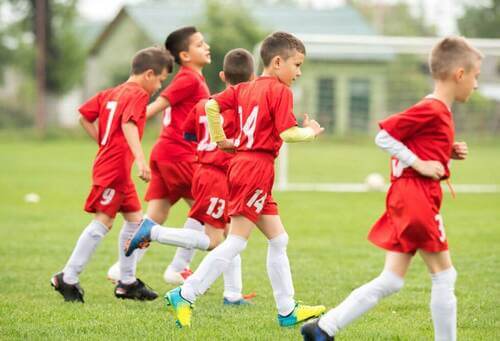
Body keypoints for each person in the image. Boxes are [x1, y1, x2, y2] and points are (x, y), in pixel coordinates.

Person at [301, 36, 482, 341]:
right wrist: (422, 164)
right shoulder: (433, 108)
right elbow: (383, 137)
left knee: (392, 280)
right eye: (476, 76)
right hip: (416, 197)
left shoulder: (438, 111)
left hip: (410, 197)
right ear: (459, 75)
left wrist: (444, 151)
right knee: (445, 275)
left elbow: (414, 141)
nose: (476, 85)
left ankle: (322, 329)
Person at [164, 32, 325, 328]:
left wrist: (220, 138)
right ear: (277, 62)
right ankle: (185, 293)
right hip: (255, 169)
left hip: (244, 165)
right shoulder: (280, 92)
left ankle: (287, 308)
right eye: (297, 65)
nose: (299, 72)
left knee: (279, 239)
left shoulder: (246, 88)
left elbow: (210, 105)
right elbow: (288, 133)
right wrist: (312, 132)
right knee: (236, 241)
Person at [126, 48, 257, 305]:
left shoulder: (202, 105)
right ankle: (154, 232)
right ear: (253, 78)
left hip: (201, 171)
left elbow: (190, 136)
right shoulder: (242, 110)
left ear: (221, 75)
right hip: (218, 177)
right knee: (214, 240)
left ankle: (232, 295)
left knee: (233, 234)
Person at [50, 46, 173, 302]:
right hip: (114, 169)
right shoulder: (138, 94)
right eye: (161, 79)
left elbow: (84, 116)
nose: (160, 86)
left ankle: (127, 282)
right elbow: (128, 123)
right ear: (149, 74)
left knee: (135, 223)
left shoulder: (111, 92)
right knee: (103, 222)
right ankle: (68, 277)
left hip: (114, 167)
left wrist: (102, 142)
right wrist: (141, 159)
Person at [106, 26, 211, 285]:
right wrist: (129, 120)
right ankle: (179, 268)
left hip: (166, 154)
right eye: (199, 44)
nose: (206, 46)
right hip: (180, 156)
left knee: (156, 215)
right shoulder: (188, 79)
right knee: (210, 212)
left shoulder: (195, 79)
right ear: (185, 55)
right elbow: (156, 106)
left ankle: (122, 269)